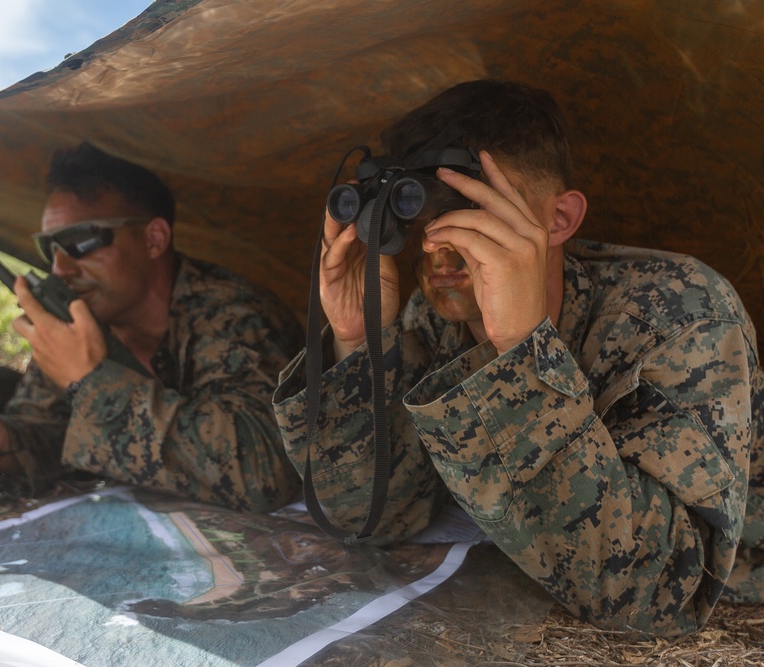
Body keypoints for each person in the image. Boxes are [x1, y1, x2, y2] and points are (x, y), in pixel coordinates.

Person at [273, 79, 763, 636]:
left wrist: (519, 350)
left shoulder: (679, 311)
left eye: (474, 211)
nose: (437, 246)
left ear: (559, 219)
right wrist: (358, 343)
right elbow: (374, 517)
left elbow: (659, 595)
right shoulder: (434, 318)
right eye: (419, 213)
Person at [0, 142, 304, 513]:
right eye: (51, 249)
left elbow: (266, 471)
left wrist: (91, 380)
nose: (61, 268)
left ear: (154, 238)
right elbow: (50, 432)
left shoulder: (234, 313)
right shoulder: (81, 322)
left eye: (81, 241)